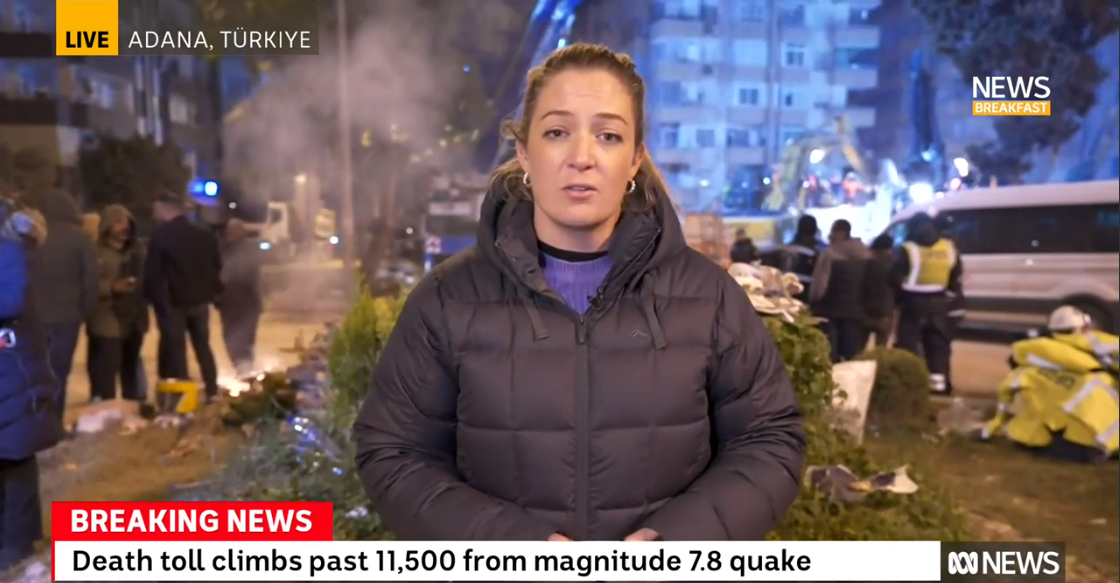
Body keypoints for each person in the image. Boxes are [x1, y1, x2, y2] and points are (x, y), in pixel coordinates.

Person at [353, 43, 805, 541]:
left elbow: (769, 439)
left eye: (608, 136)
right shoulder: (447, 299)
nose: (582, 157)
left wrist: (678, 543)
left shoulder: (709, 298)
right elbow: (394, 453)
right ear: (524, 151)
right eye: (556, 132)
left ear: (635, 159)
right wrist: (510, 549)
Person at [0, 194, 61, 570]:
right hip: (10, 370)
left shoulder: (11, 251)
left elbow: (13, 300)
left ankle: (18, 544)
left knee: (16, 456)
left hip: (15, 371)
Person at [143, 193, 222, 401]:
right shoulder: (204, 234)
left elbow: (154, 272)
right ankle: (212, 388)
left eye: (157, 210)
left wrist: (154, 301)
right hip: (200, 301)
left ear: (166, 209)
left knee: (177, 349)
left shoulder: (162, 235)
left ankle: (184, 394)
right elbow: (216, 266)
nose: (155, 214)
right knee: (202, 345)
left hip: (173, 302)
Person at [29, 188, 98, 417]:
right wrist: (85, 311)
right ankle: (54, 421)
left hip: (35, 316)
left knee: (34, 369)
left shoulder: (34, 236)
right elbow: (90, 278)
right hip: (68, 317)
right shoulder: (81, 238)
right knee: (59, 370)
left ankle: (33, 420)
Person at [86, 205, 149, 405]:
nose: (124, 227)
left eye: (126, 221)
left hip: (133, 320)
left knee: (131, 368)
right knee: (105, 371)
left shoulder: (138, 251)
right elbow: (88, 286)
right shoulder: (95, 253)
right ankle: (104, 408)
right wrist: (112, 287)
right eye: (118, 222)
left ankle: (133, 409)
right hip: (106, 322)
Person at [893, 212, 961, 394]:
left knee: (908, 346)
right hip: (939, 303)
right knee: (937, 346)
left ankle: (908, 388)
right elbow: (956, 276)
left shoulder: (907, 249)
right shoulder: (948, 247)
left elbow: (893, 278)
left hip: (912, 303)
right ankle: (937, 388)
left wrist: (897, 300)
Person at [809, 219, 871, 362]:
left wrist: (813, 301)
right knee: (850, 355)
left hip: (831, 312)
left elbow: (819, 286)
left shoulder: (829, 254)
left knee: (830, 354)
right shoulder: (866, 255)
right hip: (856, 312)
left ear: (840, 232)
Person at [217, 219, 263, 375]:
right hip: (246, 302)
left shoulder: (227, 250)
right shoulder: (249, 250)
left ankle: (243, 369)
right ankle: (245, 368)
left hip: (234, 302)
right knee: (243, 339)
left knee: (235, 338)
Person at [863, 234, 896, 347]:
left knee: (858, 349)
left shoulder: (866, 261)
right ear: (889, 248)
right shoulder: (893, 263)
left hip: (865, 310)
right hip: (886, 311)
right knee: (881, 349)